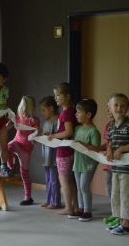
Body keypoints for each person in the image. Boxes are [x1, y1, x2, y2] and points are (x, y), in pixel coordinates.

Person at [105, 93, 129, 235]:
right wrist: (109, 150)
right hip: (116, 168)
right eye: (116, 105)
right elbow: (110, 142)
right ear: (110, 108)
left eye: (122, 105)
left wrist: (121, 149)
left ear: (127, 108)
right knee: (116, 195)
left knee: (127, 195)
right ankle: (120, 221)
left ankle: (127, 225)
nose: (119, 108)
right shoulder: (111, 126)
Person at [48, 82, 79, 216]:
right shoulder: (69, 111)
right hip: (69, 150)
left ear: (67, 97)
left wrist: (54, 135)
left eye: (58, 95)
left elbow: (68, 132)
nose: (55, 98)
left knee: (63, 179)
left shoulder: (66, 112)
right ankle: (76, 207)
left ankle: (68, 207)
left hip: (64, 151)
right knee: (70, 179)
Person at [70, 99, 101, 222]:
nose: (76, 114)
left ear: (88, 115)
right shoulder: (77, 129)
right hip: (78, 162)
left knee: (84, 186)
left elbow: (95, 150)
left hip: (88, 164)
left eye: (78, 112)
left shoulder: (94, 131)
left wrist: (82, 143)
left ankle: (88, 211)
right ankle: (81, 209)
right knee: (78, 187)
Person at [7, 96, 40, 205]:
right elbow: (6, 127)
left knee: (24, 174)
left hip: (26, 150)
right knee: (9, 146)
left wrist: (37, 135)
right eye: (23, 111)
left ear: (33, 110)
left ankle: (28, 197)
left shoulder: (34, 120)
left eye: (27, 112)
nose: (25, 114)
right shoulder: (17, 118)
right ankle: (10, 167)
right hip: (17, 143)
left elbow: (37, 133)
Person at [38, 96, 61, 209]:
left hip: (54, 156)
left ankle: (55, 201)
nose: (42, 113)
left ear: (51, 108)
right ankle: (48, 199)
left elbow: (59, 138)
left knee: (54, 180)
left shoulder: (57, 121)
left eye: (43, 110)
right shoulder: (45, 123)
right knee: (47, 179)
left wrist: (49, 136)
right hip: (46, 156)